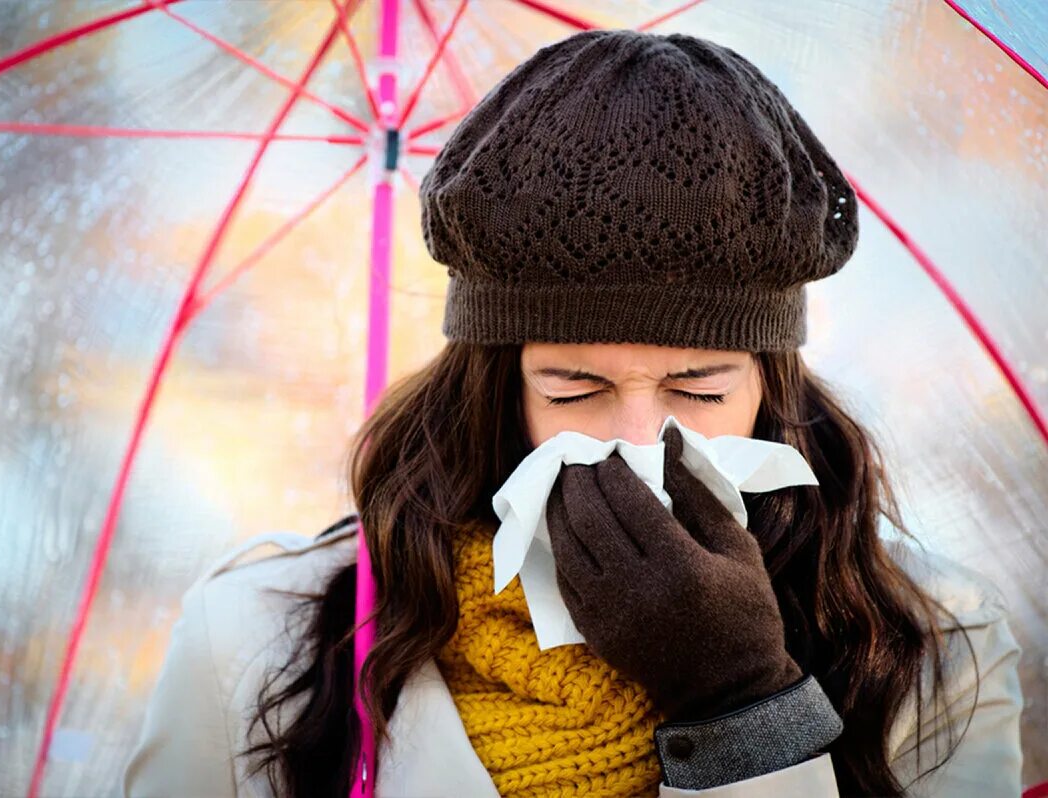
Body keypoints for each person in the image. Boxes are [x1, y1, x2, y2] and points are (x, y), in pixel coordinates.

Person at [121, 28, 1023, 797]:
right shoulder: (255, 641)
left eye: (699, 391)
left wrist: (746, 706)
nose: (638, 443)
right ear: (494, 392)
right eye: (574, 390)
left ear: (771, 390)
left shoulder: (934, 648)